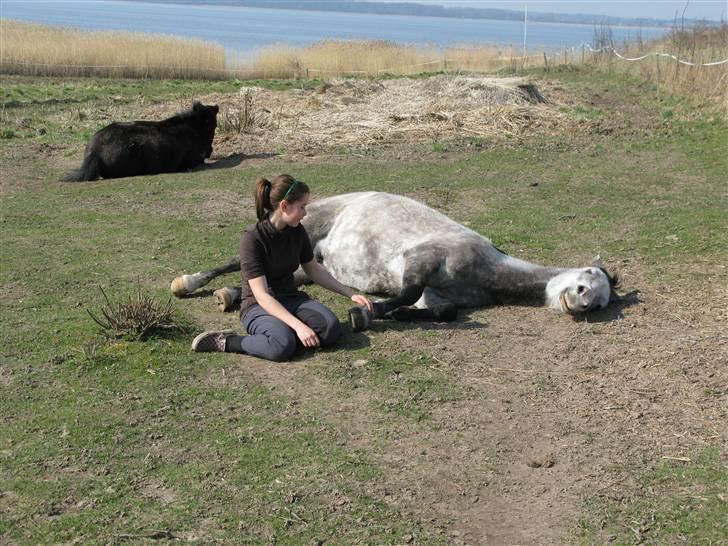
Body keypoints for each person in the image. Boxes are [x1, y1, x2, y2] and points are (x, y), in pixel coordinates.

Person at [191, 174, 373, 361]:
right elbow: (262, 295)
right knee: (282, 347)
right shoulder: (252, 239)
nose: (305, 213)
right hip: (258, 307)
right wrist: (298, 326)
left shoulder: (297, 231)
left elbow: (313, 269)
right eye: (302, 207)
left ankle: (280, 335)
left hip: (291, 299)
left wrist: (349, 293)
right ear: (284, 206)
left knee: (331, 329)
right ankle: (229, 341)